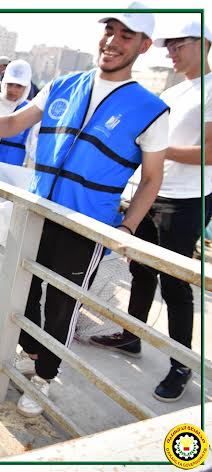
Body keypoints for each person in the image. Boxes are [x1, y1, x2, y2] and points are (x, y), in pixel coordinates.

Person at [0, 4, 169, 417]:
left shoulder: (150, 109)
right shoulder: (63, 84)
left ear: (143, 46)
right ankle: (32, 353)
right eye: (110, 30)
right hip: (36, 211)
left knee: (62, 303)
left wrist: (127, 227)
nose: (112, 41)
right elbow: (12, 125)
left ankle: (46, 377)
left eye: (126, 35)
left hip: (85, 224)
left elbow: (152, 179)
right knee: (25, 289)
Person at [89, 18, 212, 403]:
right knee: (139, 269)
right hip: (154, 192)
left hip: (187, 200)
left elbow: (208, 151)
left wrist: (157, 152)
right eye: (169, 47)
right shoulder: (176, 93)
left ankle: (181, 363)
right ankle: (131, 334)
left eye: (179, 46)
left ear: (204, 43)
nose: (172, 53)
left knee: (175, 282)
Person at [0, 60, 38, 167]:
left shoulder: (30, 111)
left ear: (26, 88)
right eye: (10, 84)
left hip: (7, 175)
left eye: (19, 86)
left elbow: (34, 148)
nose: (12, 89)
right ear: (4, 83)